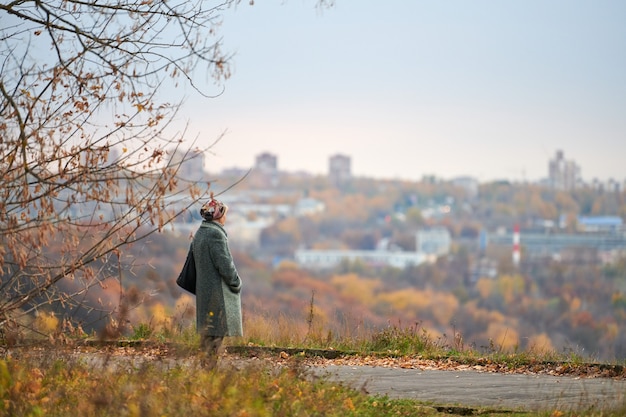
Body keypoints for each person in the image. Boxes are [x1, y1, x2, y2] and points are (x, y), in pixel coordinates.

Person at [192, 196, 243, 368]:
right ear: (218, 215)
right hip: (217, 293)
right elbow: (225, 265)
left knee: (208, 336)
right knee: (215, 336)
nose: (225, 217)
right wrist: (236, 283)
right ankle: (209, 375)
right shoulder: (215, 234)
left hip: (205, 291)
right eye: (224, 214)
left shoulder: (201, 232)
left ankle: (206, 373)